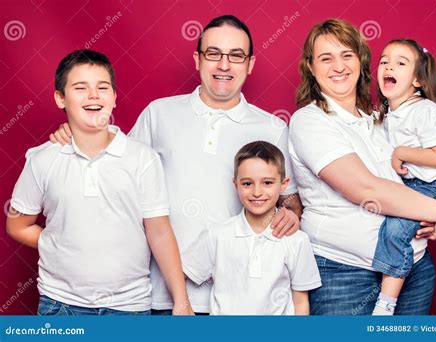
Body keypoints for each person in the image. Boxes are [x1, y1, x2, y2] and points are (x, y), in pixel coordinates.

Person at [49, 15, 303, 315]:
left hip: (241, 298)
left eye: (236, 56)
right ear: (197, 59)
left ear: (250, 64)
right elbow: (115, 172)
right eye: (213, 54)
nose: (224, 65)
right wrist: (78, 133)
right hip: (161, 295)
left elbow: (291, 199)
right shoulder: (159, 114)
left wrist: (290, 213)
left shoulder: (273, 128)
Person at [6, 50, 192, 315]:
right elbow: (17, 224)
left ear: (114, 97)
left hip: (130, 307)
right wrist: (59, 242)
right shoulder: (42, 160)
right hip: (61, 306)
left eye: (102, 87)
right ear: (61, 98)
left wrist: (181, 301)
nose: (93, 95)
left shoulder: (143, 159)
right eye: (80, 88)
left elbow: (159, 231)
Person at [289, 19, 436, 315]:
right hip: (346, 273)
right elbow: (365, 189)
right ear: (311, 67)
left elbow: (425, 170)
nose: (338, 66)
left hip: (413, 269)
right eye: (326, 58)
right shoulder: (309, 120)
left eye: (347, 55)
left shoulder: (379, 121)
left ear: (361, 61)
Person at [371, 38, 436, 315]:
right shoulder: (389, 114)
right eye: (384, 60)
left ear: (418, 80)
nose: (389, 66)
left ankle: (386, 303)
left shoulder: (425, 111)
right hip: (414, 185)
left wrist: (400, 152)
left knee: (396, 229)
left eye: (400, 63)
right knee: (392, 226)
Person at [182, 141, 321, 315]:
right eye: (247, 183)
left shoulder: (297, 240)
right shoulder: (218, 235)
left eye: (267, 183)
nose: (257, 192)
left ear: (284, 184)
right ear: (236, 184)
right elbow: (183, 272)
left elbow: (300, 302)